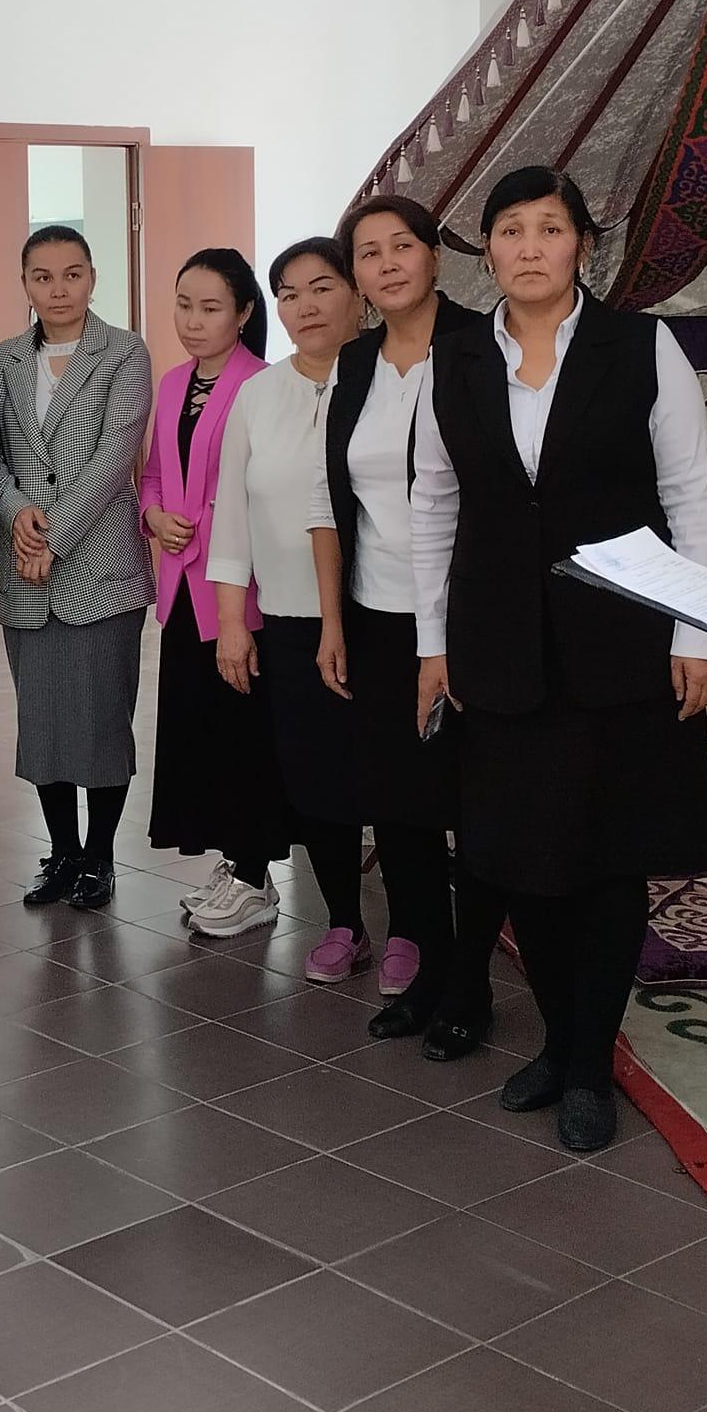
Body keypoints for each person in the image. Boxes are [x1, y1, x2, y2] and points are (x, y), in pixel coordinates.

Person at [412, 166, 707, 1153]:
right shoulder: (456, 358)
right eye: (510, 229)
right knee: (520, 861)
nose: (529, 247)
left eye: (549, 228)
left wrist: (697, 633)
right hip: (497, 646)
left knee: (607, 860)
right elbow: (432, 505)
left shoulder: (642, 346)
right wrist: (430, 644)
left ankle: (587, 1065)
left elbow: (690, 497)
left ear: (582, 243)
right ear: (488, 250)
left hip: (620, 641)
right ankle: (559, 1039)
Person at [310, 193, 500, 1058]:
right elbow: (332, 496)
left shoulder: (482, 346)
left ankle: (471, 983)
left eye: (402, 246)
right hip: (378, 613)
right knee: (400, 808)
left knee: (474, 803)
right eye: (369, 252)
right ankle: (428, 970)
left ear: (434, 256)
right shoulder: (354, 363)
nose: (386, 264)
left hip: (468, 618)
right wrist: (333, 619)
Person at [210, 237, 393, 983]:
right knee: (317, 778)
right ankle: (344, 921)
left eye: (321, 287)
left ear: (358, 293)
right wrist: (231, 622)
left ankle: (414, 931)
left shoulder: (390, 377)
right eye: (288, 294)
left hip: (384, 612)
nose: (304, 306)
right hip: (288, 618)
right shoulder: (258, 395)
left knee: (392, 775)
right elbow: (231, 516)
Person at [0, 227, 154, 909]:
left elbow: (116, 457)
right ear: (25, 283)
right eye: (42, 276)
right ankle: (61, 854)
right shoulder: (3, 359)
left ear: (92, 278)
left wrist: (51, 539)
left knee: (103, 722)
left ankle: (100, 858)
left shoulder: (125, 352)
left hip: (99, 564)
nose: (58, 289)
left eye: (72, 274)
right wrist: (14, 511)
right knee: (44, 724)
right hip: (22, 564)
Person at [141, 251, 290, 925]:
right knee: (200, 732)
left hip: (238, 594)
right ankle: (235, 863)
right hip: (180, 591)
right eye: (183, 305)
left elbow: (265, 489)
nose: (192, 322)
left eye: (210, 308)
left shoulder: (262, 383)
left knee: (243, 737)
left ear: (244, 313)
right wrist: (154, 516)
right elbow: (152, 475)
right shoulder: (174, 382)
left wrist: (199, 523)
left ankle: (256, 878)